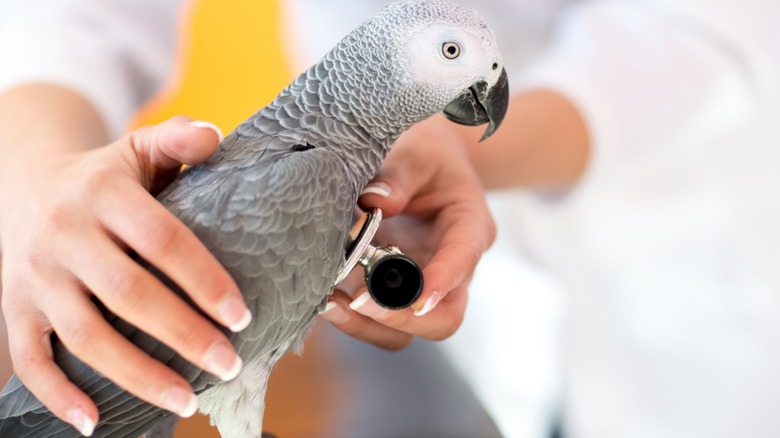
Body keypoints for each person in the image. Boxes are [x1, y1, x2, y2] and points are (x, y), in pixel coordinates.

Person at [2, 1, 780, 437]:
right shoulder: (304, 178)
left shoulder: (331, 172)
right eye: (449, 51)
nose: (483, 74)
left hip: (690, 297)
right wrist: (40, 173)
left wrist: (461, 153)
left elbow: (701, 39)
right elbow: (67, 18)